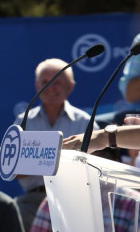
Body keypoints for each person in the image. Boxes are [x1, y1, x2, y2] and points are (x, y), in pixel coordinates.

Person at [12, 58, 95, 231]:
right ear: (37, 86)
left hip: (73, 200)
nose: (50, 87)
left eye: (57, 82)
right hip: (31, 202)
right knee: (12, 214)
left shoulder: (85, 122)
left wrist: (38, 159)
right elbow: (13, 169)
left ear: (70, 87)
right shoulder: (23, 121)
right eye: (45, 82)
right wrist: (57, 159)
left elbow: (95, 168)